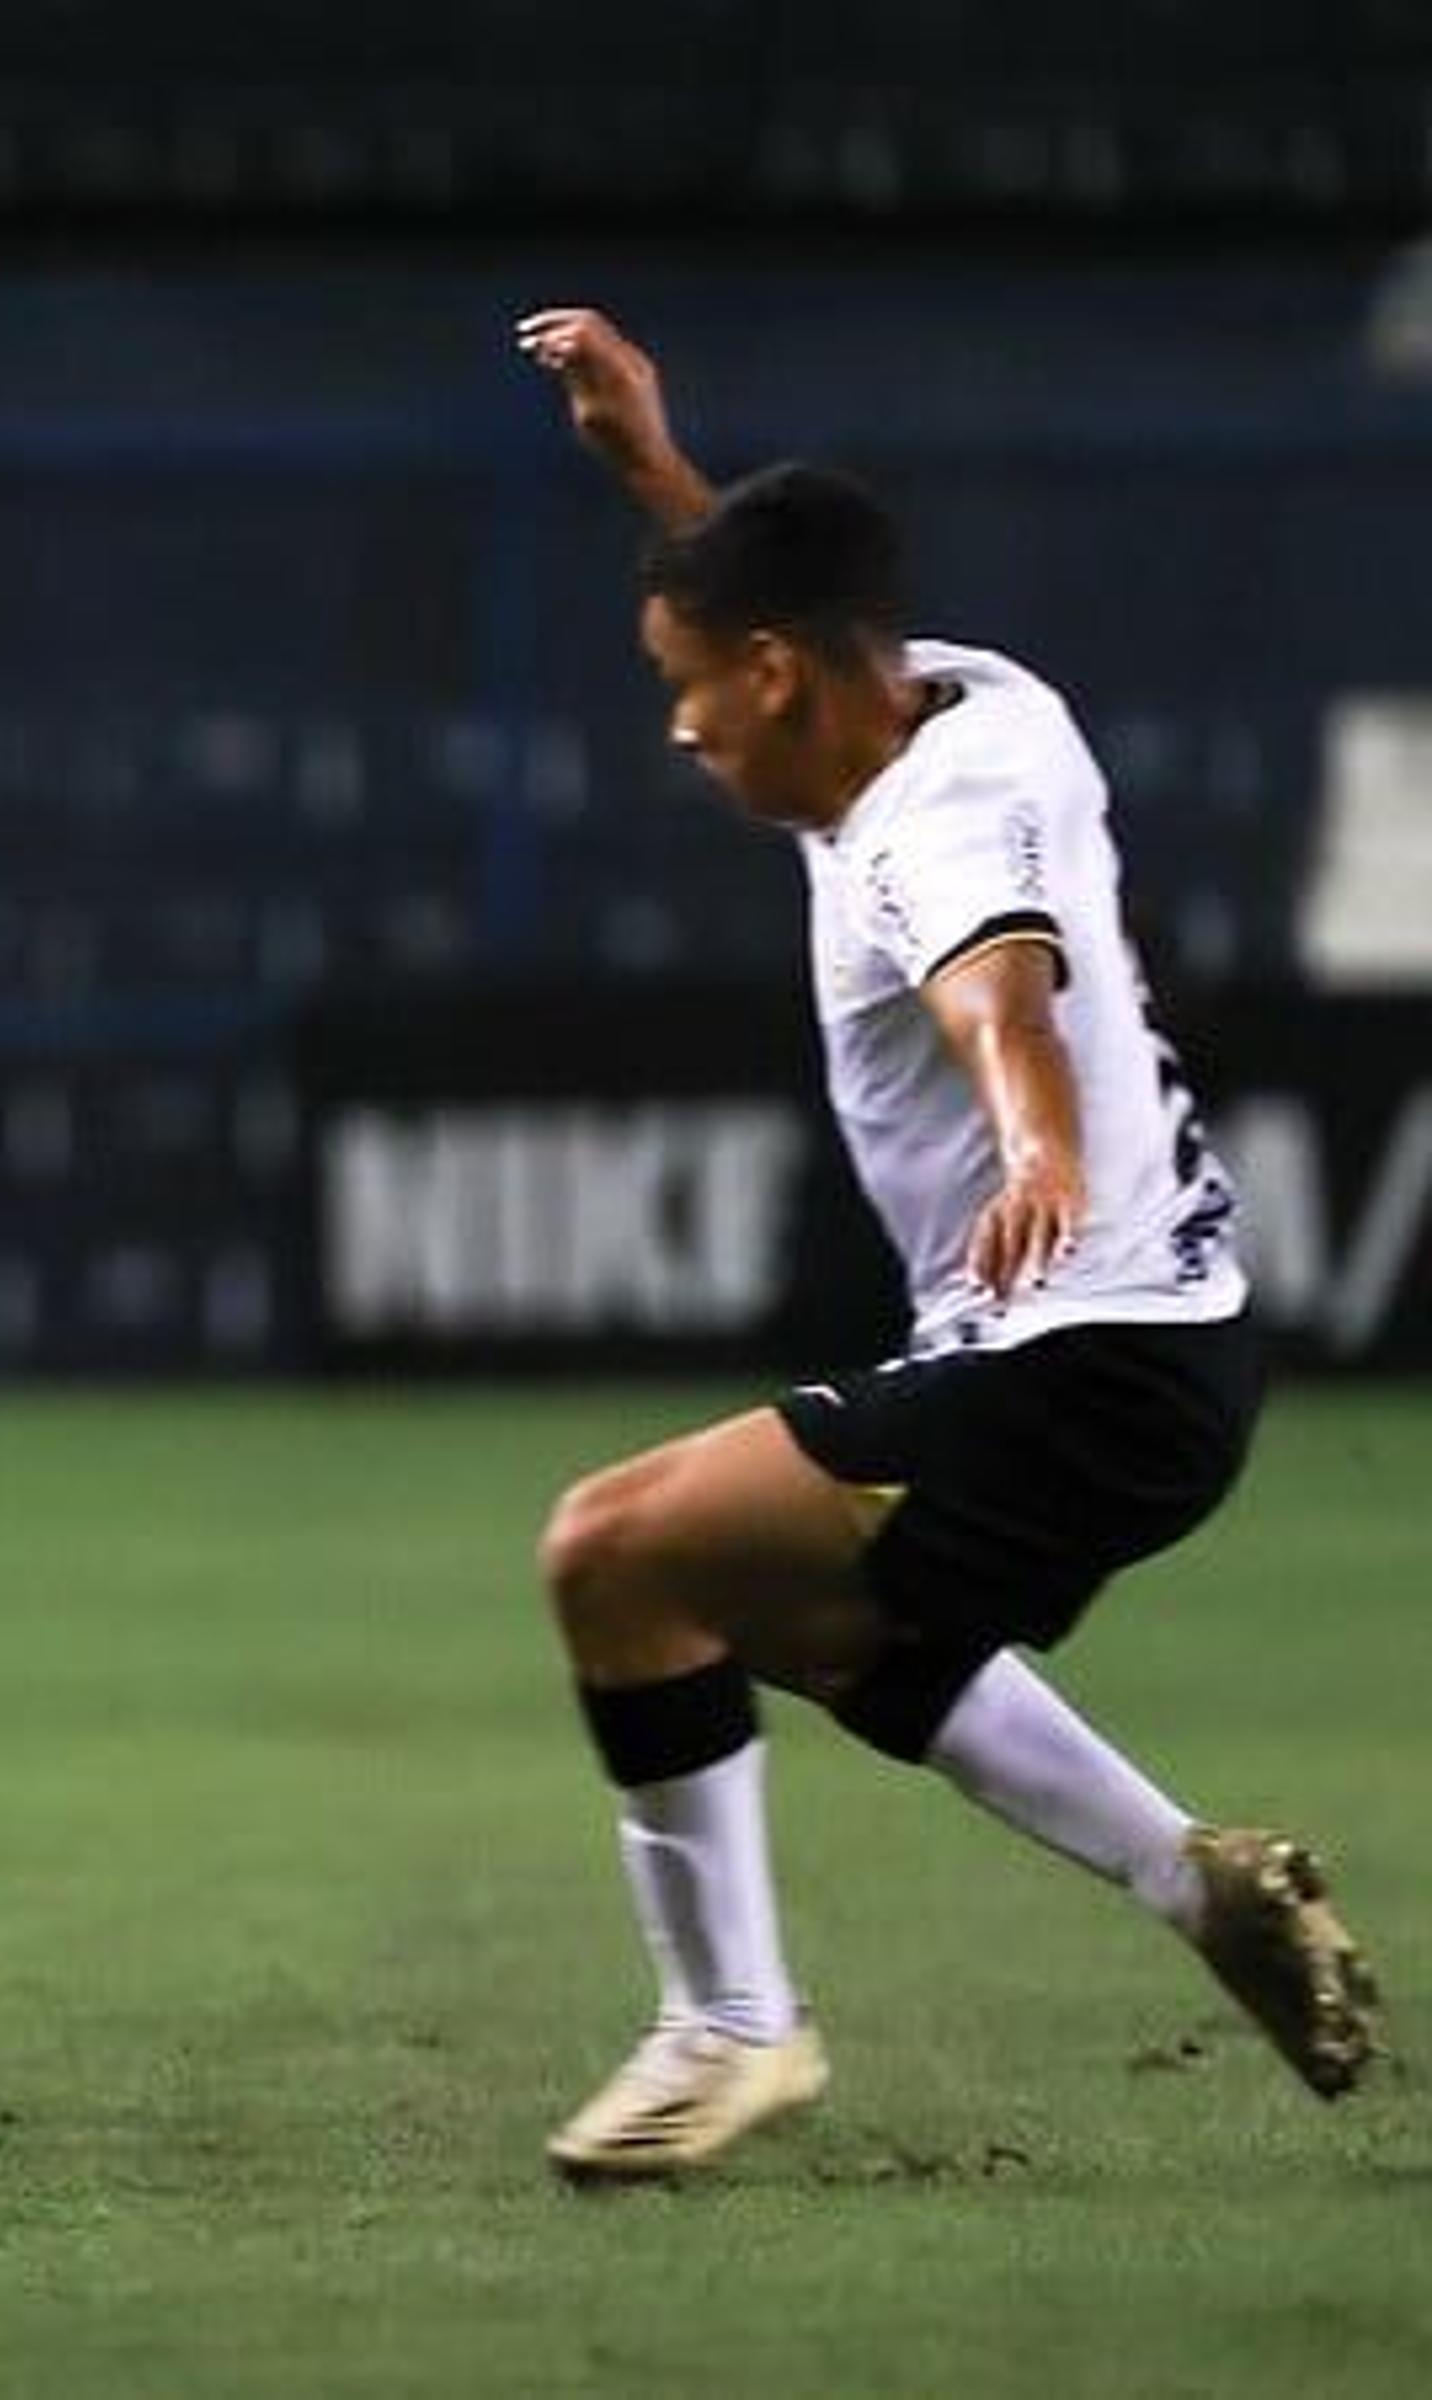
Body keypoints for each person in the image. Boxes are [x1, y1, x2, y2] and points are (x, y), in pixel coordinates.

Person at [511, 304, 1382, 2181]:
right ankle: (1198, 1885)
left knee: (620, 1559)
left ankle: (730, 2032)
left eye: (685, 682)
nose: (674, 722)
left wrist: (1039, 1142)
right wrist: (650, 466)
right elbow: (776, 593)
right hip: (1150, 1347)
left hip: (1084, 1355)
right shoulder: (963, 699)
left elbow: (1003, 980)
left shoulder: (934, 821)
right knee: (836, 1634)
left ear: (776, 678)